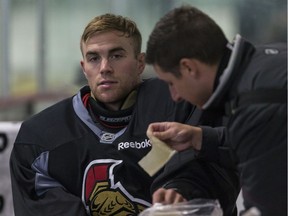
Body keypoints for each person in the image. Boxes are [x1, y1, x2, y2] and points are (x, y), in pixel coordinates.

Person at [10, 13, 239, 216]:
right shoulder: (39, 139)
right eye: (94, 58)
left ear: (140, 63)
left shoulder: (182, 101)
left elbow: (219, 166)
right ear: (83, 67)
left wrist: (182, 192)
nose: (104, 67)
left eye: (116, 55)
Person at [145, 5, 287, 216]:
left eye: (171, 83)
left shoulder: (254, 104)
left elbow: (267, 209)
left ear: (189, 68)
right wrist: (199, 137)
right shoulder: (265, 62)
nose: (174, 95)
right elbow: (269, 141)